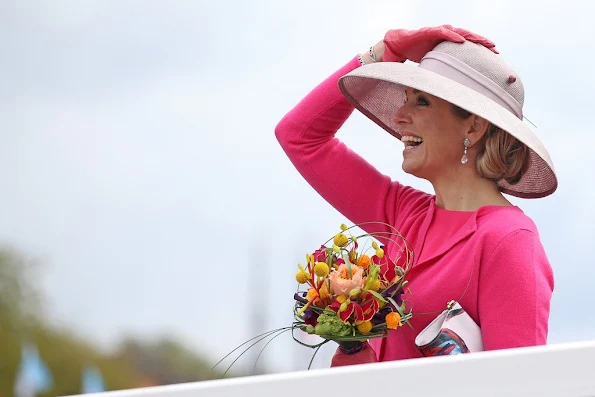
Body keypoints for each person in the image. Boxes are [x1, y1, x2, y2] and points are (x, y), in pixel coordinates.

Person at [274, 25, 557, 366]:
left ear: (473, 126)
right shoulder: (405, 214)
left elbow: (519, 385)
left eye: (421, 102)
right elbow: (299, 137)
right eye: (406, 99)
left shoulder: (508, 241)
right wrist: (383, 51)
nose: (399, 117)